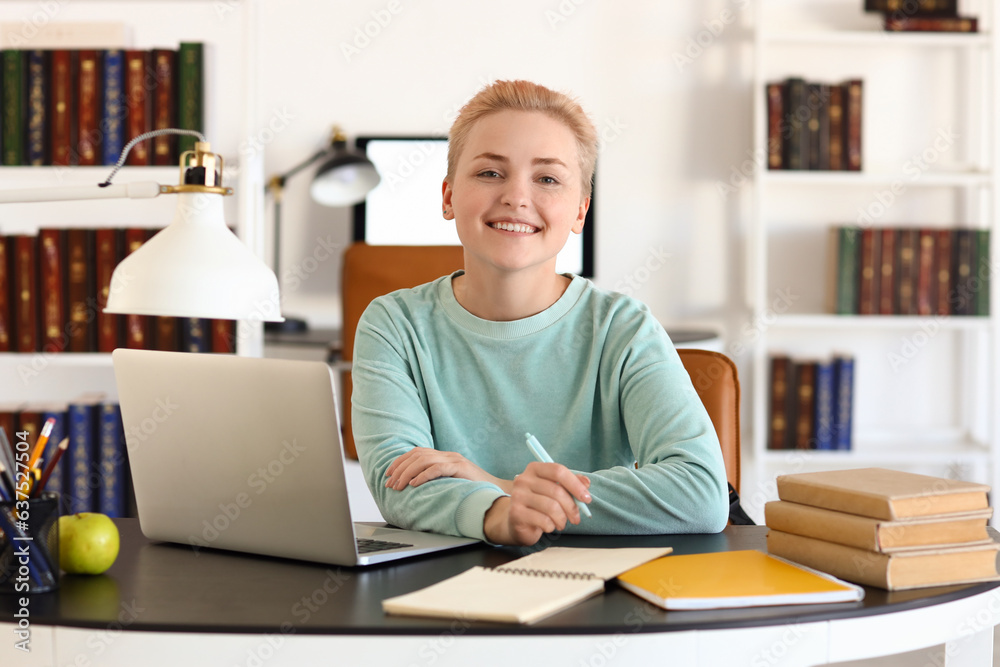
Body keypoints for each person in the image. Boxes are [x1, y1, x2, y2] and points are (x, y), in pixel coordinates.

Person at [352, 80, 729, 546]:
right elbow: (400, 486)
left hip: (593, 596)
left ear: (579, 211)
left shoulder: (622, 328)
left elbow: (700, 493)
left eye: (547, 179)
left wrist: (505, 490)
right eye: (490, 173)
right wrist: (501, 513)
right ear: (448, 197)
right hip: (438, 592)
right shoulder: (393, 324)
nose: (516, 196)